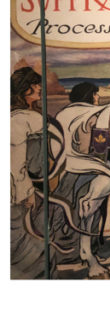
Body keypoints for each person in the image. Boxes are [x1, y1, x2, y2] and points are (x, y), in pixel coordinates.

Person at [10, 67, 46, 278]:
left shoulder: (26, 116)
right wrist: (27, 192)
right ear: (25, 89)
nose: (39, 87)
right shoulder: (19, 120)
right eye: (35, 84)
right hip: (17, 195)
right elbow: (16, 165)